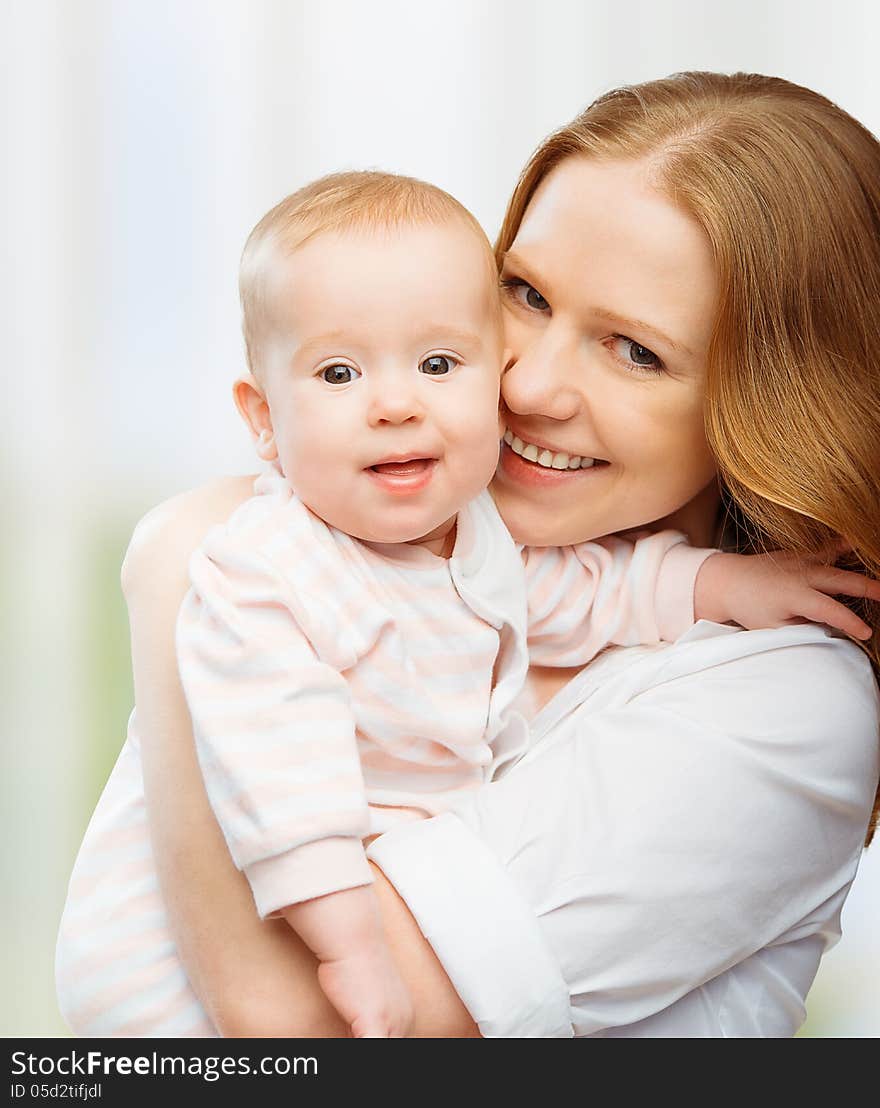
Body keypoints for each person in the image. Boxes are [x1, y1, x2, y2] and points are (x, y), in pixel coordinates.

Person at [63, 71, 880, 1038]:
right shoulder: (386, 537)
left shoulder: (787, 702)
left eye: (635, 351)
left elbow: (297, 1030)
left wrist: (171, 573)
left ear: (772, 409)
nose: (525, 382)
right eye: (524, 294)